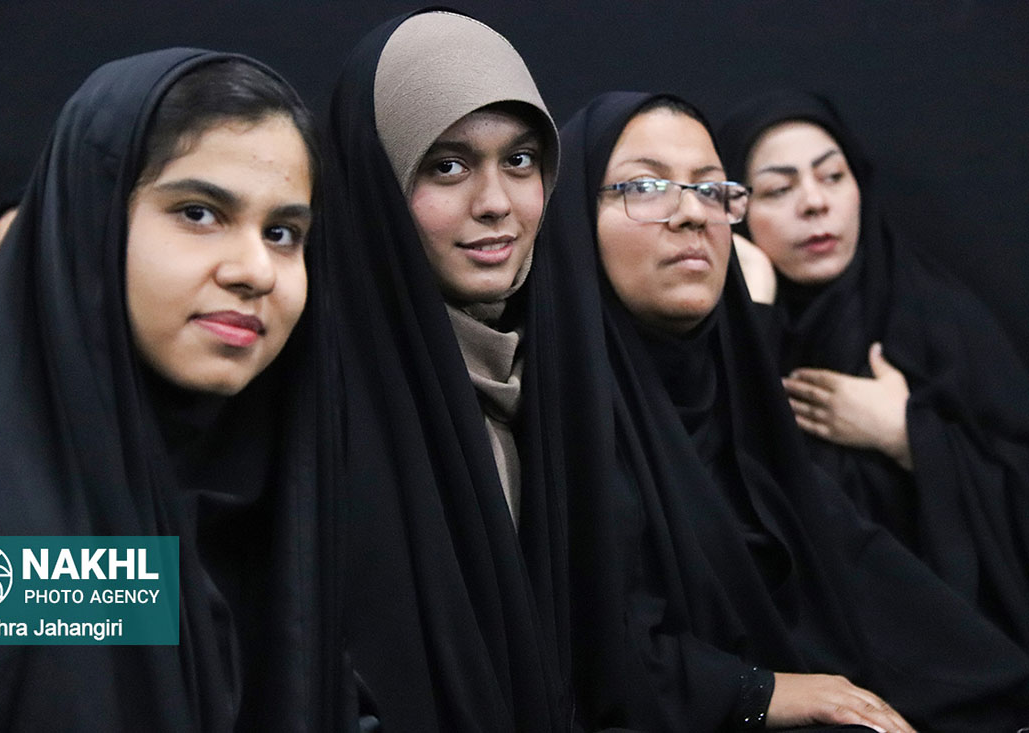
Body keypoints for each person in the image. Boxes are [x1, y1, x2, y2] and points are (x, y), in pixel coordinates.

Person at [536, 90, 1029, 731]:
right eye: (646, 186)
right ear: (574, 212)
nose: (691, 213)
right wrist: (756, 693)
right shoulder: (548, 409)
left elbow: (856, 571)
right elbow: (592, 648)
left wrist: (912, 436)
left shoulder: (736, 394)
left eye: (710, 189)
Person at [0, 49, 347, 730]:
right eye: (199, 213)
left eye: (282, 233)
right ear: (92, 220)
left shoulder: (288, 474)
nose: (256, 270)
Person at [325, 10, 570, 731]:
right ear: (378, 181)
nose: (496, 203)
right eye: (447, 166)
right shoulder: (313, 399)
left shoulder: (555, 375)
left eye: (520, 160)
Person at [718, 90, 1029, 649]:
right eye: (779, 189)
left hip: (964, 649)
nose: (815, 203)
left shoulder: (935, 317)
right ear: (733, 210)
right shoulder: (717, 336)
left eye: (833, 177)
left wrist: (907, 435)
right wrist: (754, 308)